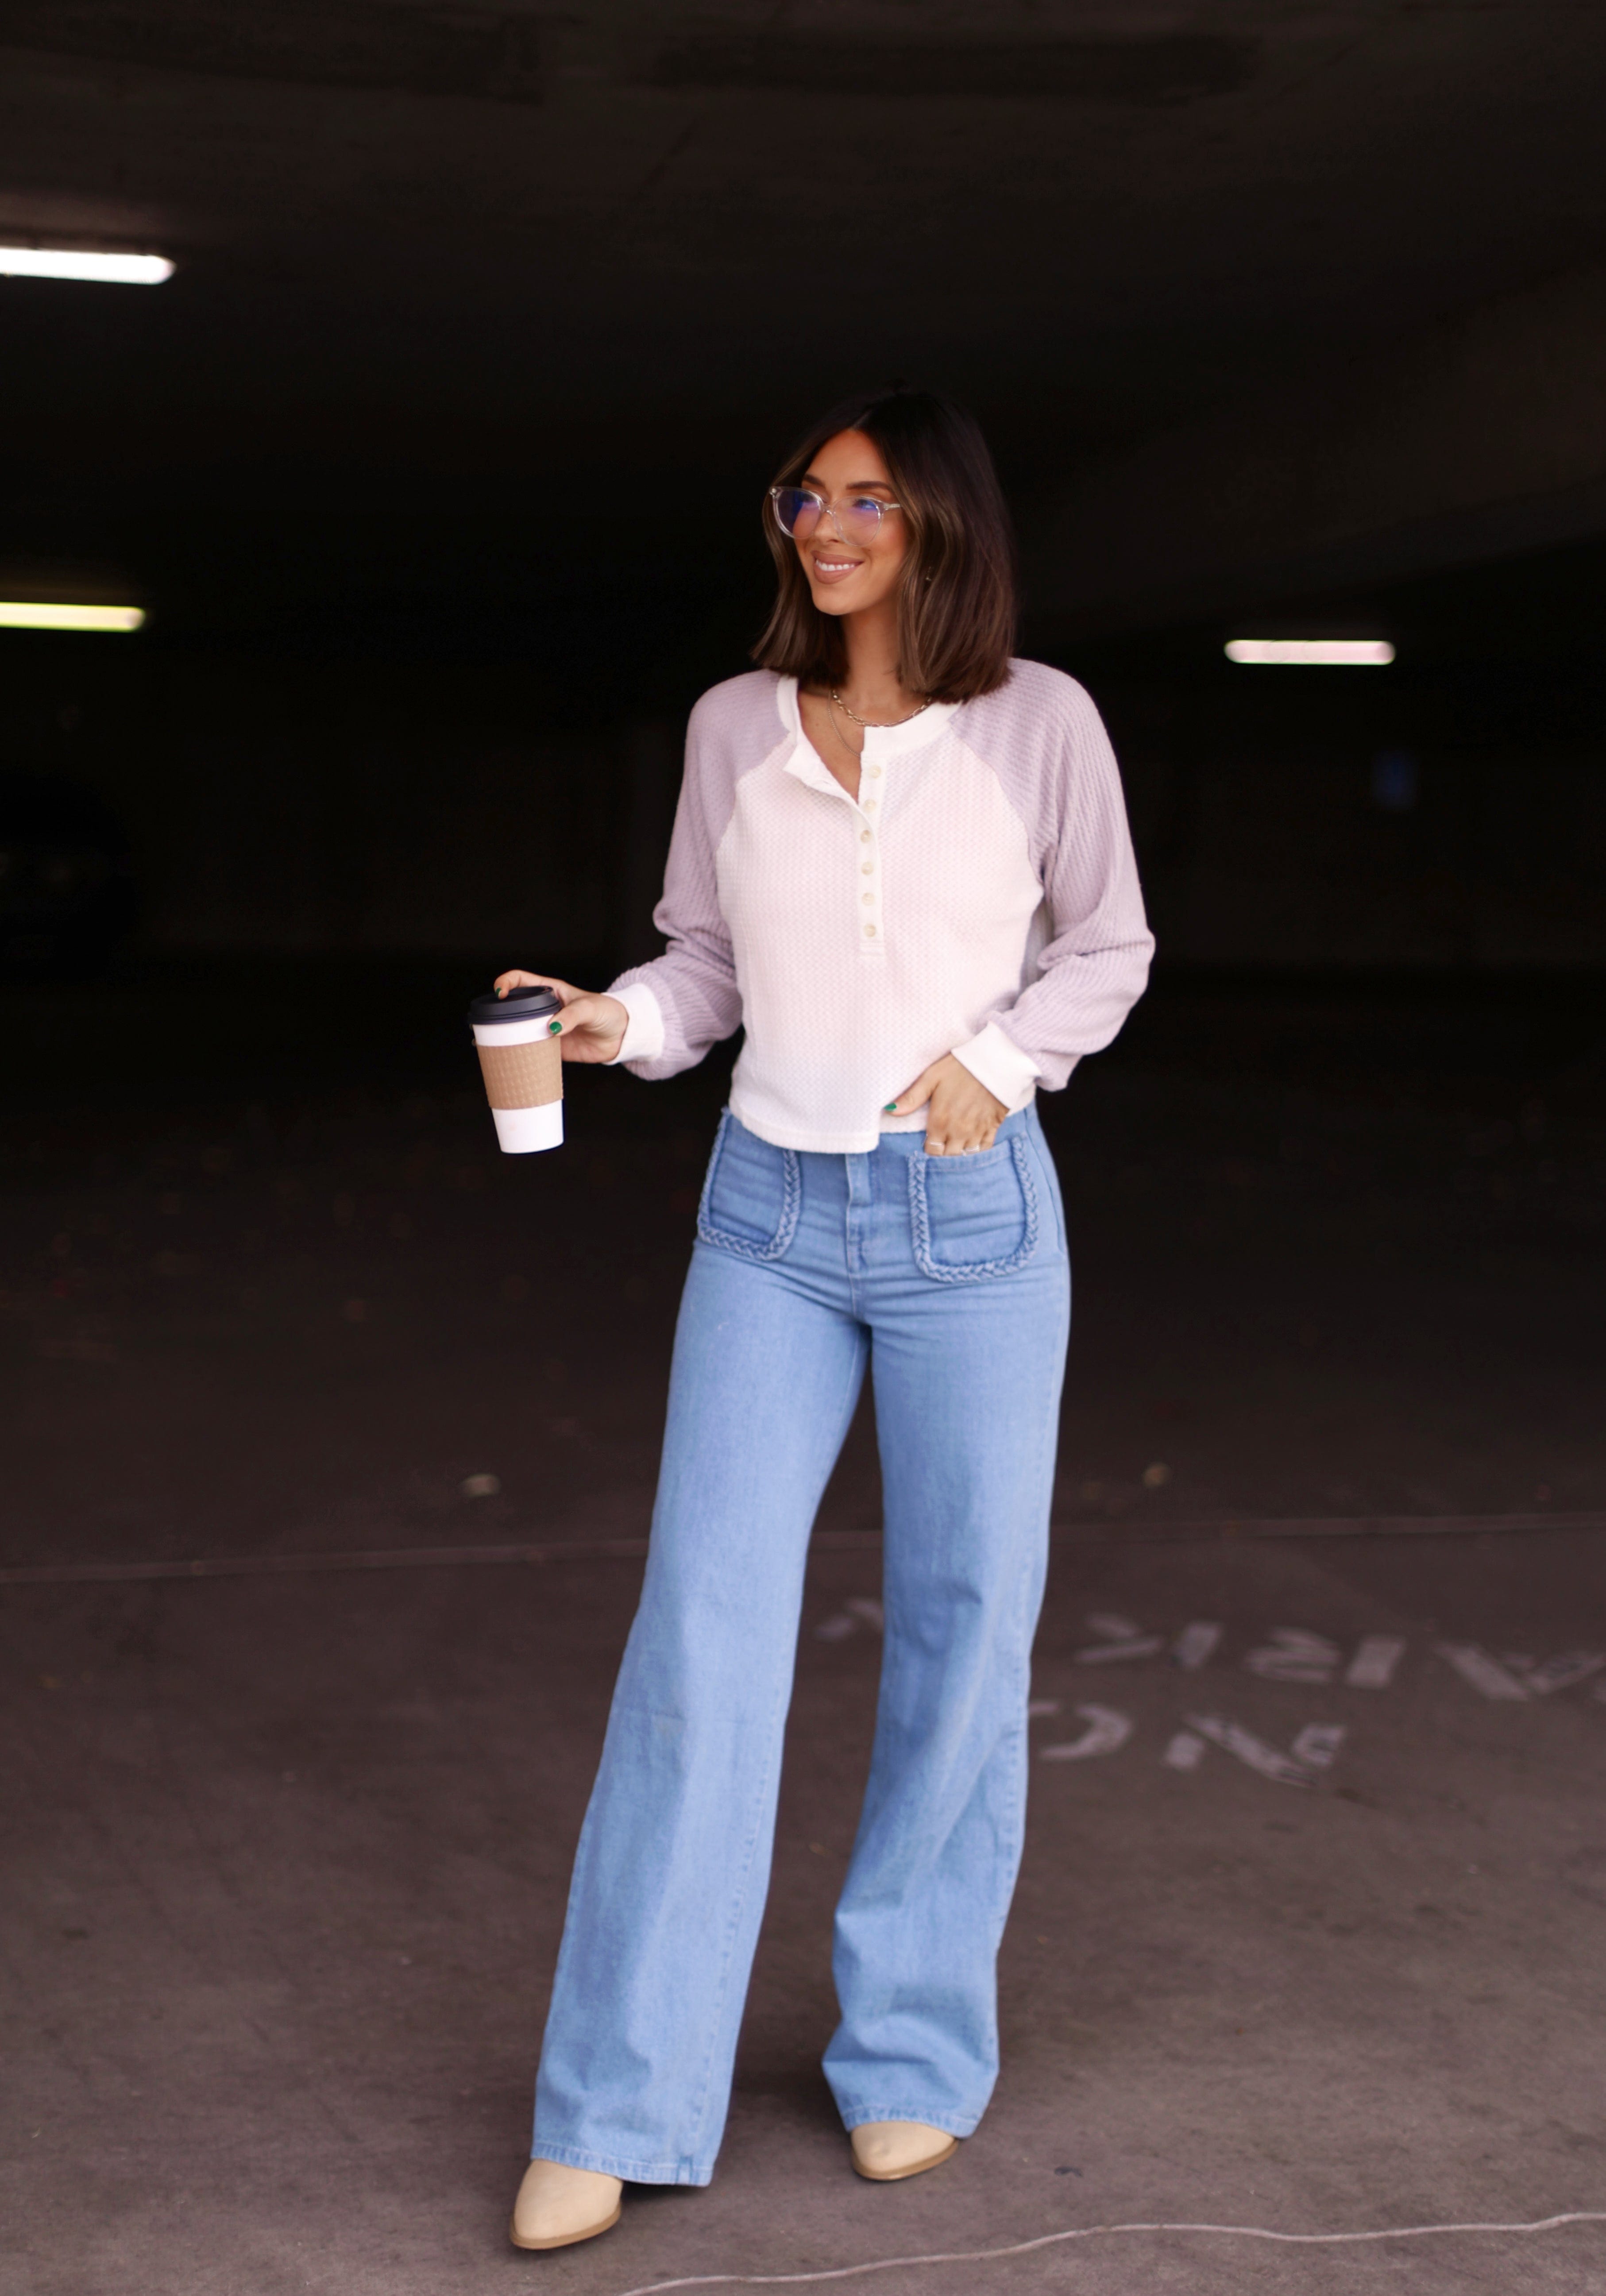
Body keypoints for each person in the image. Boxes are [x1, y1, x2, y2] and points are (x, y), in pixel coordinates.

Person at [496, 385, 1153, 2251]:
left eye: (863, 495)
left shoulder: (1042, 725)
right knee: (699, 1636)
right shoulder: (731, 725)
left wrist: (1004, 1062)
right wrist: (616, 1024)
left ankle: (911, 2054)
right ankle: (614, 2096)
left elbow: (1109, 940)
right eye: (803, 494)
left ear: (941, 521)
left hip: (969, 1220)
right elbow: (705, 961)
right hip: (767, 1216)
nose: (824, 521)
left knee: (961, 1633)